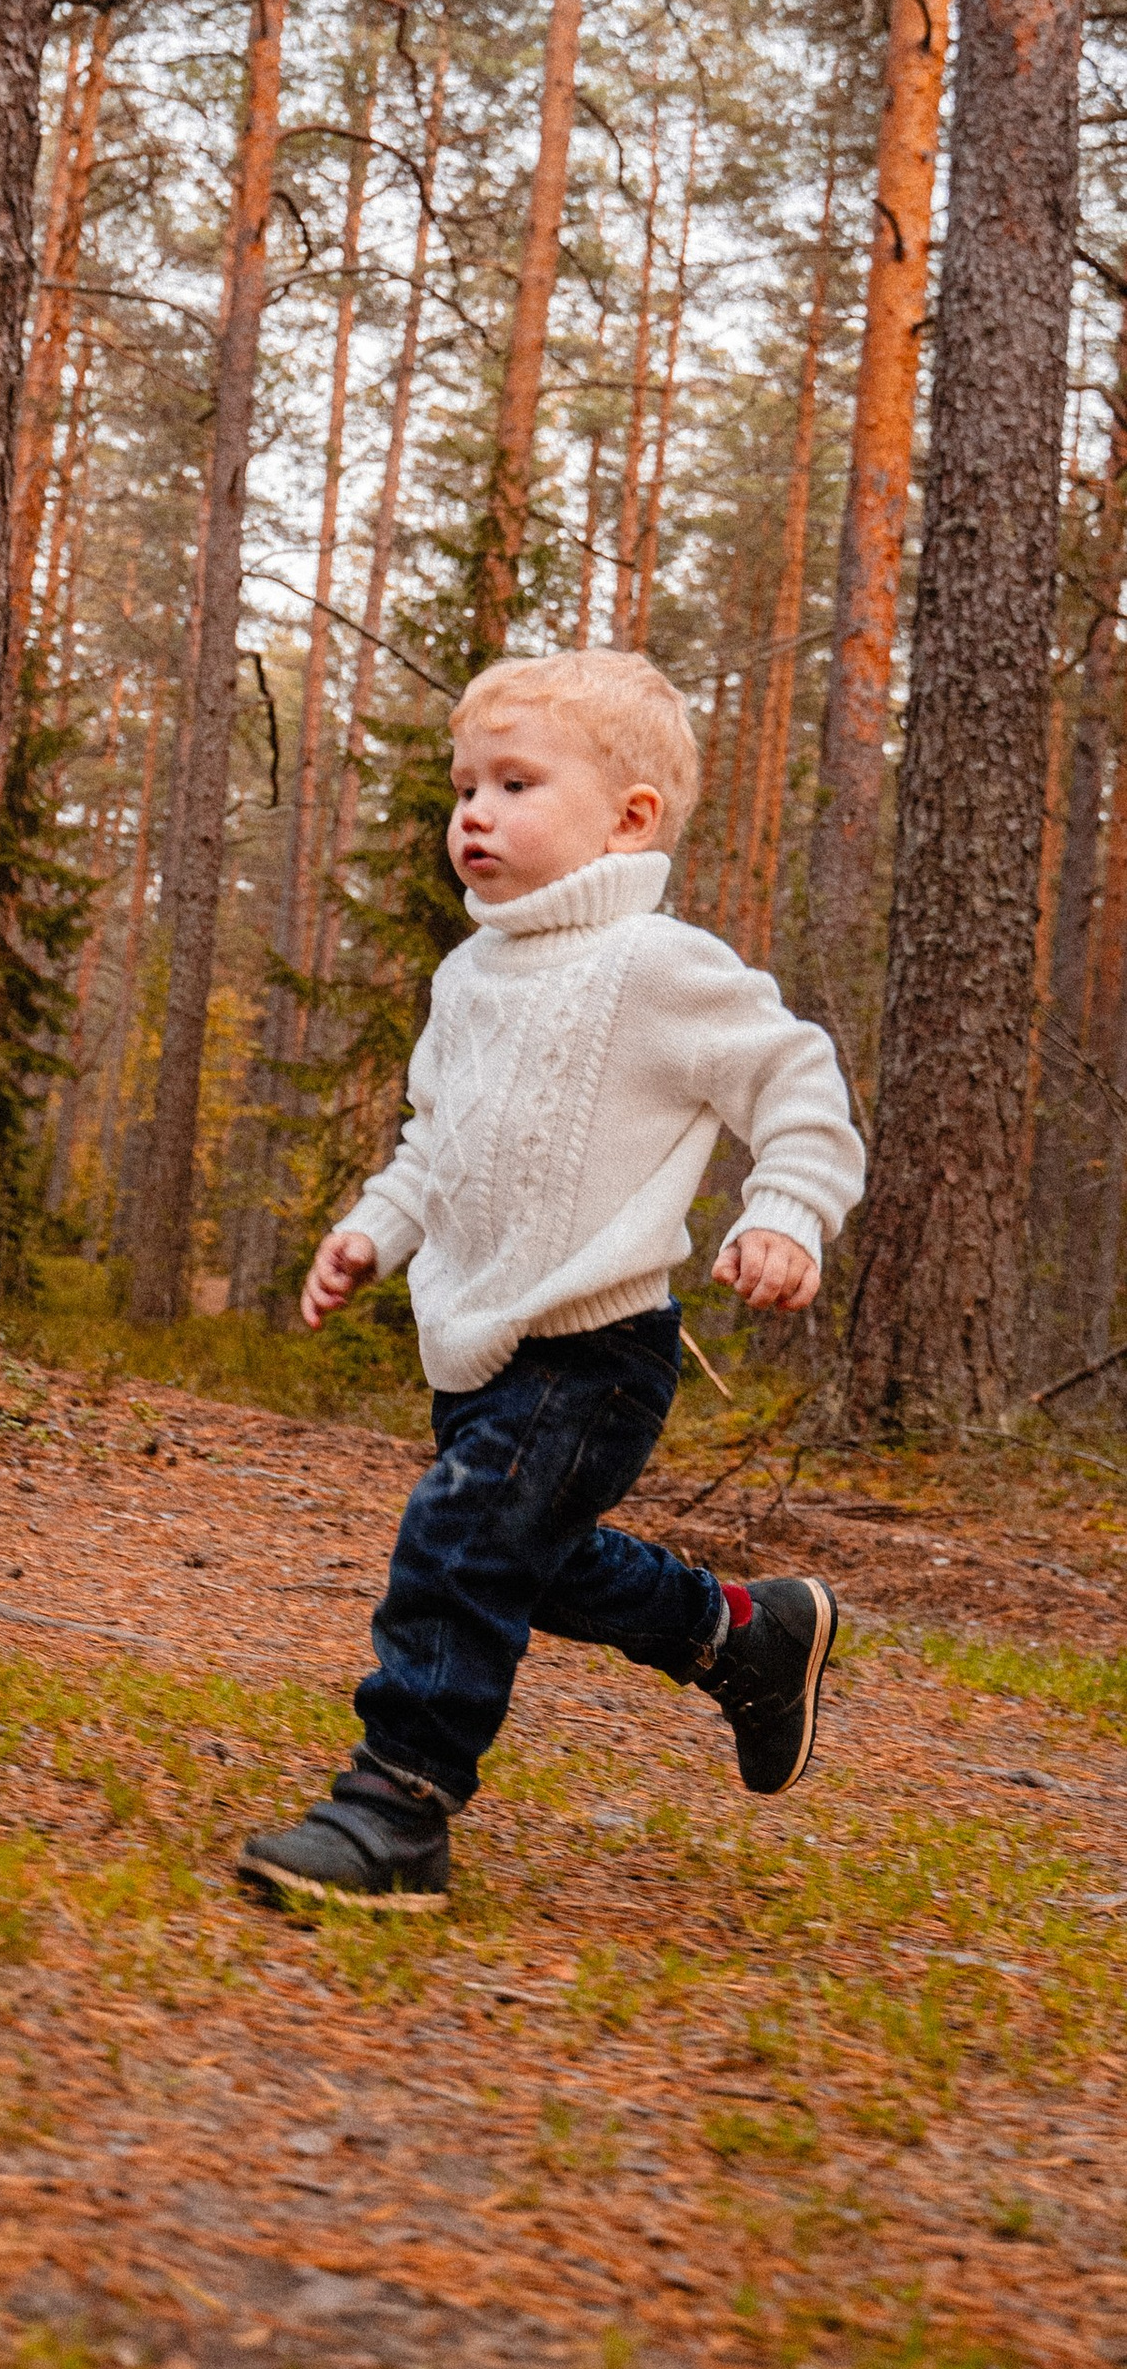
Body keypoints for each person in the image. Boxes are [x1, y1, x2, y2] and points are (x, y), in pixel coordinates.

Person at [239, 647, 864, 1914]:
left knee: (460, 1540)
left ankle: (397, 1805)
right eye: (464, 787)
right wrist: (373, 1230)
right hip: (481, 1350)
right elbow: (438, 1140)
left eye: (515, 784)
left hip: (596, 1350)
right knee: (528, 1556)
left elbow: (795, 1081)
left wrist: (787, 1210)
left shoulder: (654, 964)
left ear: (627, 816)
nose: (474, 812)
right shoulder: (467, 978)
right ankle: (743, 1636)